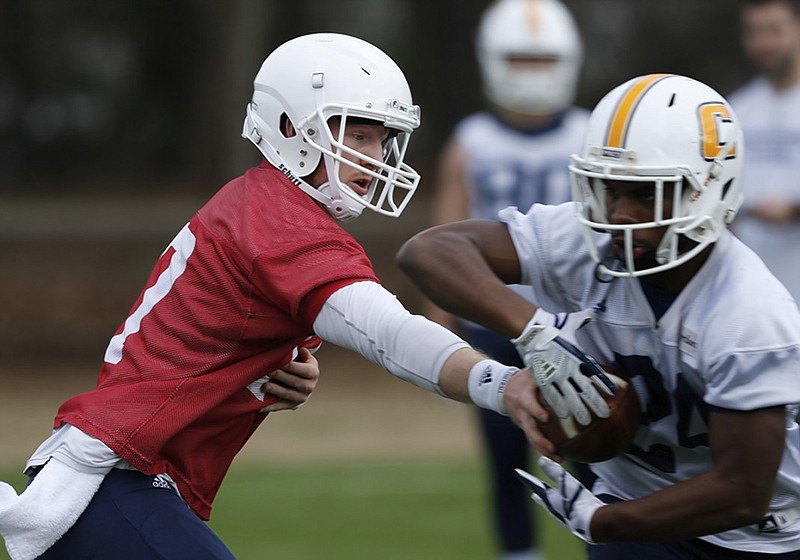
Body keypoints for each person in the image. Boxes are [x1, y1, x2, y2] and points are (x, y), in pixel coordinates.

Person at [0, 33, 565, 560]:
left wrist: (270, 367)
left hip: (122, 475)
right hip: (112, 477)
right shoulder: (280, 221)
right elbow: (390, 334)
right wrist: (505, 383)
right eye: (358, 132)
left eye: (382, 137)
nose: (376, 156)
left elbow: (211, 336)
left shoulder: (261, 204)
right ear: (293, 127)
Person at [398, 73, 800, 558]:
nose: (623, 214)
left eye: (647, 193)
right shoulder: (589, 240)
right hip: (630, 499)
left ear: (706, 190)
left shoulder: (749, 314)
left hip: (751, 537)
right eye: (611, 190)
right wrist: (534, 331)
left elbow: (742, 491)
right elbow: (429, 252)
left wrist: (606, 521)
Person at [426, 1, 587, 558]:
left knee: (598, 449)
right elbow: (444, 230)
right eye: (521, 58)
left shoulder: (590, 131)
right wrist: (437, 329)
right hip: (493, 318)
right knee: (505, 459)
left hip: (573, 321)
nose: (533, 72)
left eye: (543, 60)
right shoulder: (472, 139)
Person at [729, 0, 800, 303]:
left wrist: (794, 210)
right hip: (756, 295)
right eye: (754, 33)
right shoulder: (736, 108)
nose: (763, 43)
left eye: (774, 31)